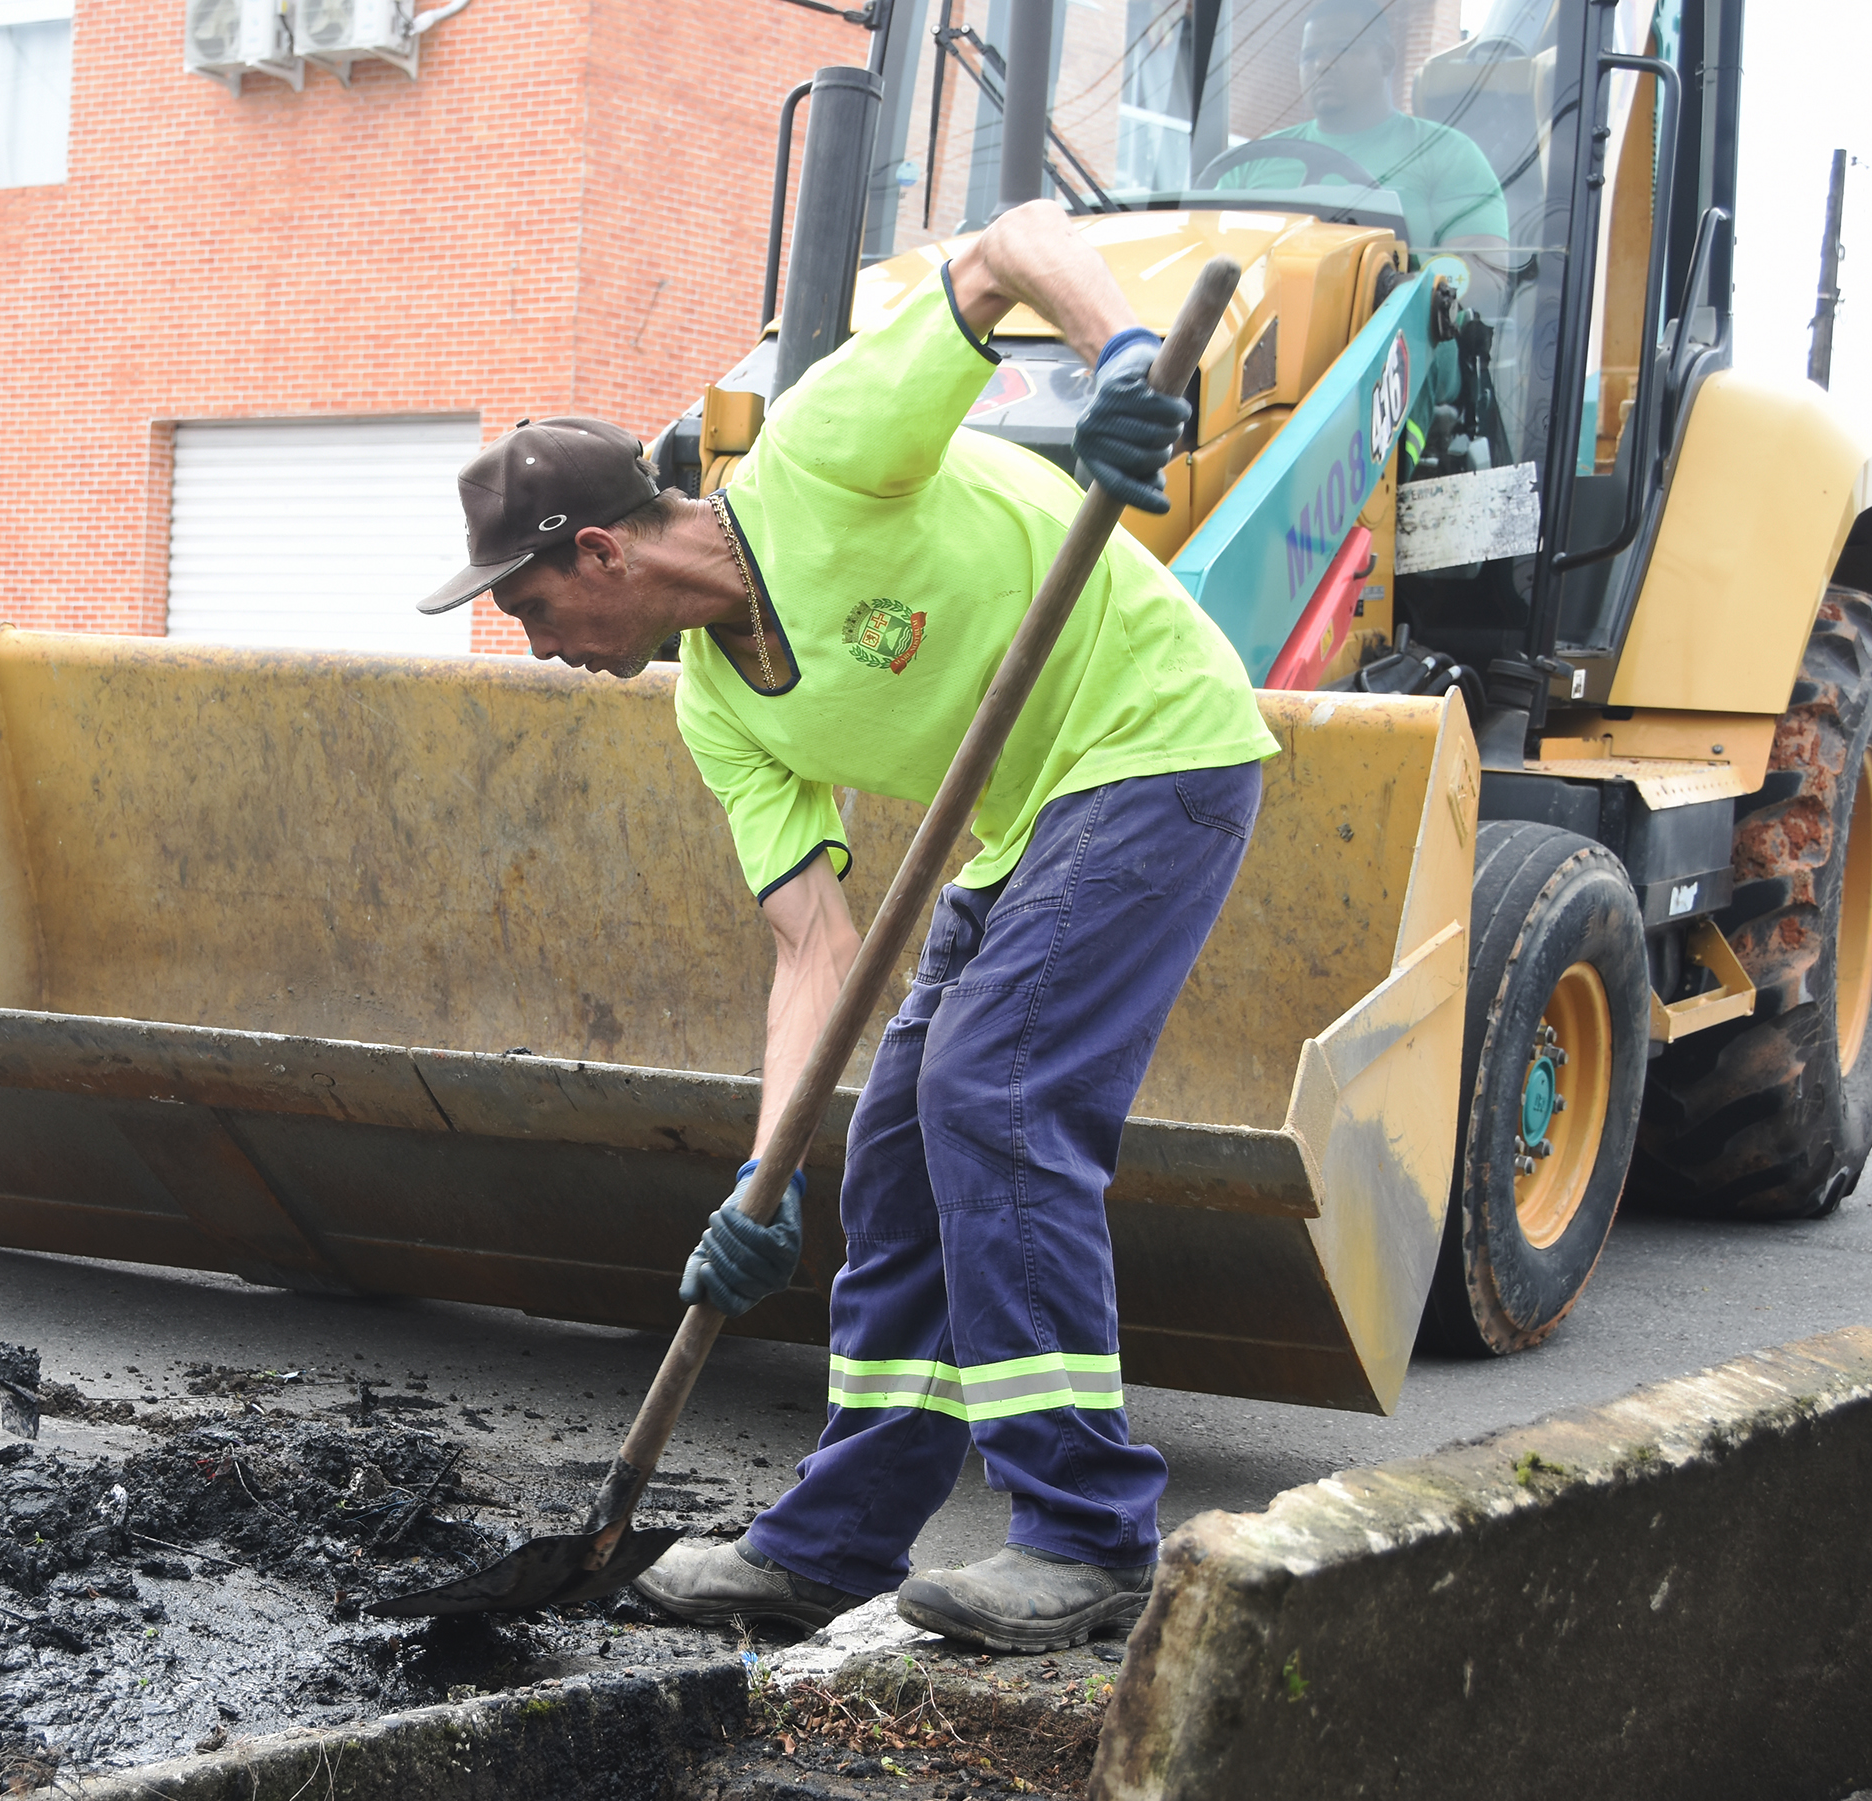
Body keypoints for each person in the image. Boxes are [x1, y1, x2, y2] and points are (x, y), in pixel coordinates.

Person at [415, 198, 1278, 1655]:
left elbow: (1011, 243)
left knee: (991, 1096)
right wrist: (761, 1184)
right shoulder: (715, 703)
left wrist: (1127, 356)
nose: (542, 647)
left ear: (606, 557)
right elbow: (813, 941)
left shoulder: (820, 459)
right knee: (891, 1147)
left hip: (1154, 748)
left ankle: (1086, 1532)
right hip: (1022, 821)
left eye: (531, 607)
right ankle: (835, 1541)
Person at [1216, 0, 1510, 299]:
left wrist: (1395, 290)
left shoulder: (1449, 154)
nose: (1322, 64)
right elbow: (1202, 253)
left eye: (1343, 49)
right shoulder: (1250, 163)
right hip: (1257, 338)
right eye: (1310, 55)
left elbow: (1485, 279)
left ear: (1385, 59)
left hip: (1394, 340)